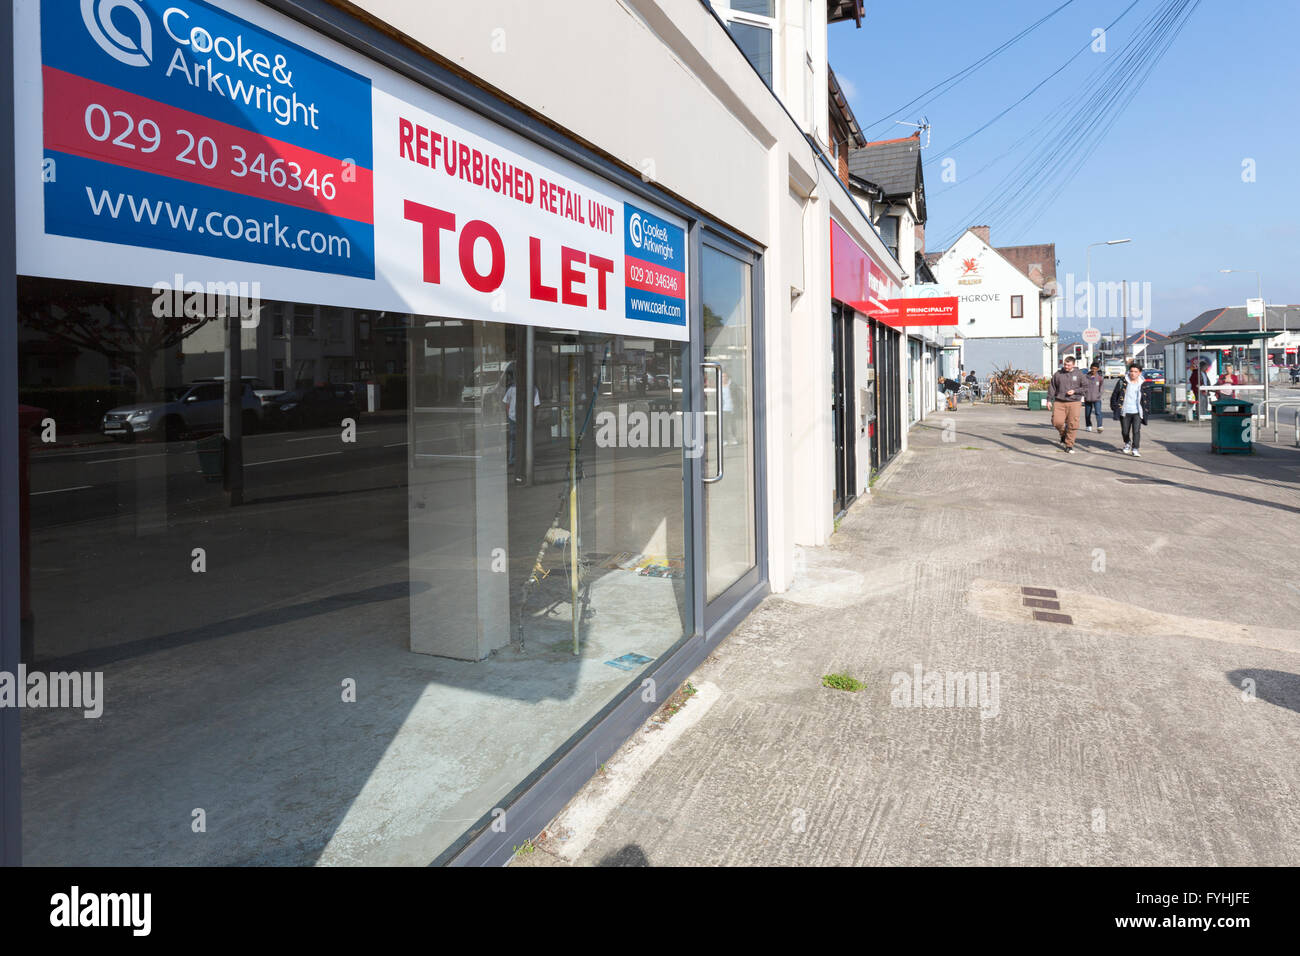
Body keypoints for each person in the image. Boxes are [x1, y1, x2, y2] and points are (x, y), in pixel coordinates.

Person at [1046, 354, 1088, 453]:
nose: (1066, 366)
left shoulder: (1080, 374)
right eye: (1065, 364)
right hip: (1059, 401)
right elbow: (1052, 387)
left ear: (1073, 365)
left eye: (1068, 365)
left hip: (1074, 402)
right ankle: (1063, 434)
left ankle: (1069, 445)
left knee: (1073, 424)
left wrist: (1075, 391)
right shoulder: (1058, 374)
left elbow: (1085, 387)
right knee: (1056, 422)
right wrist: (1048, 400)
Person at [1110, 362, 1151, 457]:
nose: (1133, 373)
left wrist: (1147, 410)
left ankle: (1135, 448)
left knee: (1136, 431)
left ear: (1140, 373)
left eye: (1135, 372)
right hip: (1125, 411)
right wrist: (1114, 406)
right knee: (1125, 431)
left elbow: (1148, 398)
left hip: (1137, 411)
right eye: (1131, 371)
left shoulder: (1144, 384)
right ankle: (1127, 442)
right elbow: (1115, 394)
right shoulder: (1122, 382)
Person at [502, 371, 539, 467]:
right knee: (517, 439)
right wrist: (510, 414)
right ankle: (515, 460)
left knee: (516, 439)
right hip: (515, 417)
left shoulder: (531, 388)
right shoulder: (513, 388)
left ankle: (517, 460)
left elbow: (507, 402)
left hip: (517, 417)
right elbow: (507, 402)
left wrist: (509, 413)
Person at [1083, 361, 1105, 433]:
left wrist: (1099, 395)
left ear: (1098, 369)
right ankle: (1088, 426)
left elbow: (1101, 388)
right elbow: (1082, 386)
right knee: (1087, 413)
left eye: (1095, 369)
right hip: (1088, 398)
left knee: (1098, 412)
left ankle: (1099, 426)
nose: (1093, 370)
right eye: (1092, 368)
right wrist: (1084, 395)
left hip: (1097, 399)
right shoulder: (1085, 377)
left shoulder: (1099, 378)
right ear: (1090, 368)